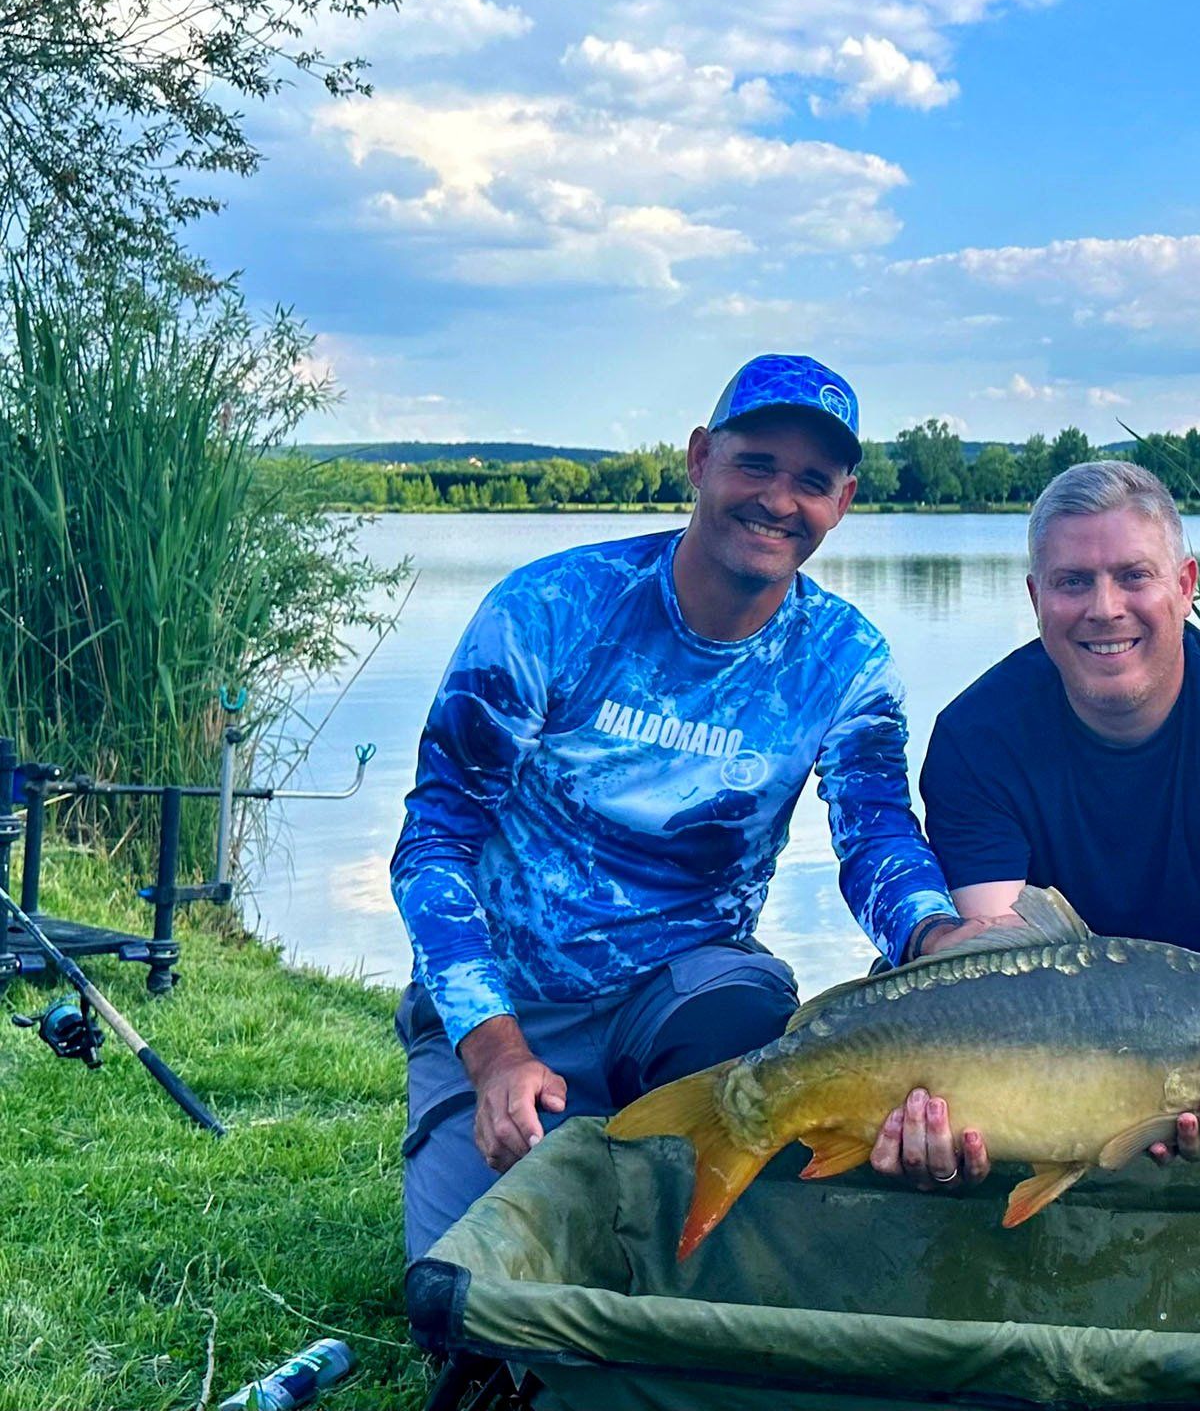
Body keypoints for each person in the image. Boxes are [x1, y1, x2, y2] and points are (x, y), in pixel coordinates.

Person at [390, 354, 978, 1258]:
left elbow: (875, 836)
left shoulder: (847, 658)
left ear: (844, 502)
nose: (780, 500)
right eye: (756, 465)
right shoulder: (549, 608)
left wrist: (934, 939)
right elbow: (433, 843)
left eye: (812, 482)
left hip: (688, 994)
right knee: (470, 1308)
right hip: (508, 996)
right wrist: (493, 1047)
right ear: (701, 459)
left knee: (747, 1243)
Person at [869, 460, 1200, 1191]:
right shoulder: (976, 737)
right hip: (1063, 1056)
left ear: (1185, 585)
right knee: (972, 1180)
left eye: (1134, 576)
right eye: (1073, 581)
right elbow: (995, 981)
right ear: (1036, 597)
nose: (1105, 607)